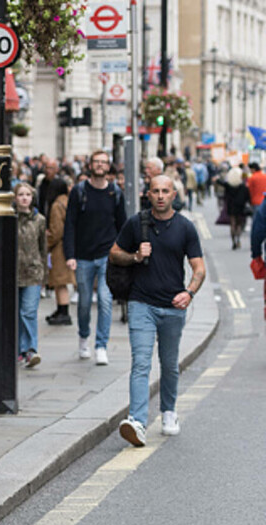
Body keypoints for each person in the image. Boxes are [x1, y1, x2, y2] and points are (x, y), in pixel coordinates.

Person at [111, 175, 205, 446]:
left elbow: (199, 268)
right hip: (141, 303)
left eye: (166, 191)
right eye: (156, 191)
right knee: (141, 362)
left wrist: (189, 293)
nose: (161, 195)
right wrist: (135, 257)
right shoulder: (136, 223)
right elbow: (114, 254)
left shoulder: (185, 227)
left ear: (174, 194)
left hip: (173, 307)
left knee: (169, 364)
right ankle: (138, 421)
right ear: (148, 194)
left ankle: (168, 411)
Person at [63, 149, 126, 365]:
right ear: (90, 165)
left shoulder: (115, 193)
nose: (100, 165)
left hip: (107, 256)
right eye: (96, 162)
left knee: (106, 301)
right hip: (83, 256)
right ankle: (83, 337)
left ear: (109, 166)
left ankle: (101, 346)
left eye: (104, 162)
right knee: (83, 302)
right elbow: (69, 224)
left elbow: (122, 226)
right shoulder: (79, 191)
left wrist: (122, 254)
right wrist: (69, 254)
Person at [14, 182, 47, 367]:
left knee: (29, 311)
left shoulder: (39, 220)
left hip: (33, 271)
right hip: (14, 271)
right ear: (15, 198)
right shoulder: (10, 218)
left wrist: (45, 276)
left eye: (27, 195)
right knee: (17, 313)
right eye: (21, 194)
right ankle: (20, 349)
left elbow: (43, 248)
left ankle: (31, 349)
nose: (24, 198)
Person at [44, 177, 73, 325]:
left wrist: (47, 243)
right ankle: (61, 310)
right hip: (69, 244)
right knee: (60, 280)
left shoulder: (56, 205)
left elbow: (56, 231)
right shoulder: (68, 201)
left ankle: (63, 311)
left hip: (59, 248)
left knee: (60, 281)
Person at [223, 166, 250, 249]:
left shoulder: (228, 186)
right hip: (240, 207)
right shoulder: (243, 187)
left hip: (231, 206)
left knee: (232, 224)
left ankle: (233, 241)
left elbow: (224, 194)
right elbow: (247, 197)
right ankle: (238, 240)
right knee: (239, 224)